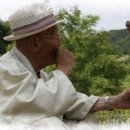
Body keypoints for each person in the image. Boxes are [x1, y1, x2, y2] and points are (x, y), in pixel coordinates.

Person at [1, 1, 130, 128]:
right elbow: (39, 104)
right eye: (55, 35)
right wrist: (62, 69)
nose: (60, 41)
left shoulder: (35, 73)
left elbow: (68, 102)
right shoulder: (5, 69)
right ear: (35, 43)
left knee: (86, 118)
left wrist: (113, 102)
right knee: (49, 123)